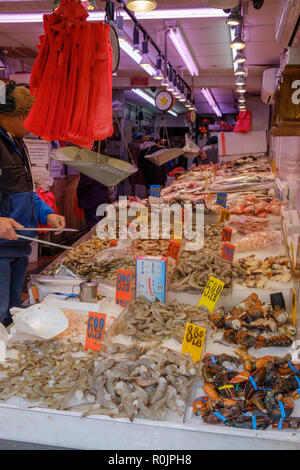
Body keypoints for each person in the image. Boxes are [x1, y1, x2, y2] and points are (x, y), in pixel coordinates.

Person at [0, 81, 66, 327]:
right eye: (30, 118)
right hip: (1, 250)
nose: (32, 126)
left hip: (19, 246)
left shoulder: (16, 142)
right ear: (18, 116)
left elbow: (25, 191)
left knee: (12, 313)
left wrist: (46, 214)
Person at [76, 141, 113, 231]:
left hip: (91, 199)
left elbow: (87, 180)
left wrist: (79, 190)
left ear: (94, 146)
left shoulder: (91, 159)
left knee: (94, 227)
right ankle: (102, 243)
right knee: (100, 224)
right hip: (102, 196)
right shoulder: (107, 159)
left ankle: (98, 244)